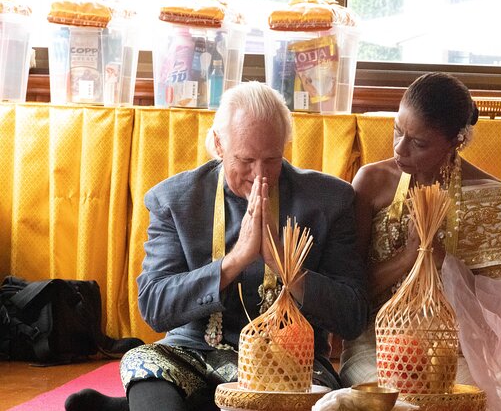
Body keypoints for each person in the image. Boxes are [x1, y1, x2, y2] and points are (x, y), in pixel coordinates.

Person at [65, 81, 369, 411]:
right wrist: (234, 262)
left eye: (272, 159)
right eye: (246, 159)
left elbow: (353, 316)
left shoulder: (329, 200)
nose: (259, 174)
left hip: (293, 366)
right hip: (194, 353)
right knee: (145, 363)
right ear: (219, 145)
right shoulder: (175, 200)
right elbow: (154, 307)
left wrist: (285, 263)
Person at [338, 72, 501, 410]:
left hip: (455, 350)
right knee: (395, 399)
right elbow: (350, 292)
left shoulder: (492, 195)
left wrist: (445, 266)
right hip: (375, 344)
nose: (400, 149)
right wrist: (408, 258)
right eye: (397, 131)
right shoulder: (372, 182)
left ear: (457, 141)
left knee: (462, 399)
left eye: (419, 143)